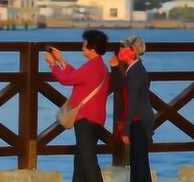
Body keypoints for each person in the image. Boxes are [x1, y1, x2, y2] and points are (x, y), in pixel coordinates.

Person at [45, 30, 110, 182]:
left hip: (85, 119)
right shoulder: (100, 66)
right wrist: (62, 62)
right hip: (97, 119)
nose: (82, 46)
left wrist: (53, 64)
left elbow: (66, 80)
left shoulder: (91, 67)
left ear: (92, 47)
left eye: (84, 44)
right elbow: (76, 76)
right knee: (81, 159)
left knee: (87, 160)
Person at [110, 36, 154, 182]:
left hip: (139, 120)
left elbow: (132, 103)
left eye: (124, 49)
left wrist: (126, 130)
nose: (120, 51)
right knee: (136, 160)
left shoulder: (135, 72)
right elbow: (120, 86)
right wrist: (115, 68)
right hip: (138, 119)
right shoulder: (133, 69)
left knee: (139, 162)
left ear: (133, 52)